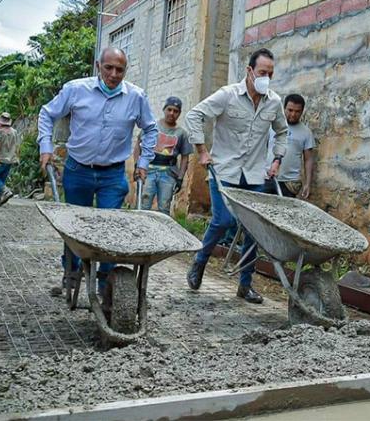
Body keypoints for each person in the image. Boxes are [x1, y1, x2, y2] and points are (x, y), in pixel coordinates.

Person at [37, 47, 158, 292]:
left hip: (112, 174)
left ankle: (106, 281)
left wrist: (143, 162)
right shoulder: (75, 89)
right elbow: (47, 114)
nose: (114, 74)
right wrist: (45, 147)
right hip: (78, 169)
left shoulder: (136, 96)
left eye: (120, 69)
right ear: (97, 66)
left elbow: (151, 129)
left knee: (110, 228)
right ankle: (71, 270)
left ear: (126, 70)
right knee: (74, 226)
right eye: (108, 67)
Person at [184, 48, 288, 304]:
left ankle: (245, 285)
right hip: (225, 171)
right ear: (250, 71)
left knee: (254, 230)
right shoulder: (227, 95)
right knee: (223, 220)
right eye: (262, 72)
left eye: (270, 74)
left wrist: (276, 159)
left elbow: (283, 132)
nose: (266, 78)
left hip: (254, 175)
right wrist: (201, 150)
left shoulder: (274, 101)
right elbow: (194, 115)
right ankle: (200, 261)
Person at [134, 96, 192, 216]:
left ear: (179, 113)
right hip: (148, 170)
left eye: (176, 111)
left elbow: (185, 157)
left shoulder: (181, 133)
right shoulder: (152, 126)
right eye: (169, 109)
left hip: (168, 174)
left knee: (164, 208)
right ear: (164, 109)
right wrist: (137, 165)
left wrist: (180, 178)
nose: (172, 113)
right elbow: (138, 144)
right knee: (142, 204)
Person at [265, 94, 316, 198]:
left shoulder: (306, 132)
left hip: (290, 183)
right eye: (290, 110)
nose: (293, 114)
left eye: (297, 112)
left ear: (302, 111)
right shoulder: (271, 126)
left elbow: (308, 160)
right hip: (266, 178)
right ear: (284, 108)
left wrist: (308, 184)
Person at [0, 112, 20, 207]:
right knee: (2, 178)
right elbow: (17, 145)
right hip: (10, 159)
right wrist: (17, 157)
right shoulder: (14, 131)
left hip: (1, 158)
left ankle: (5, 191)